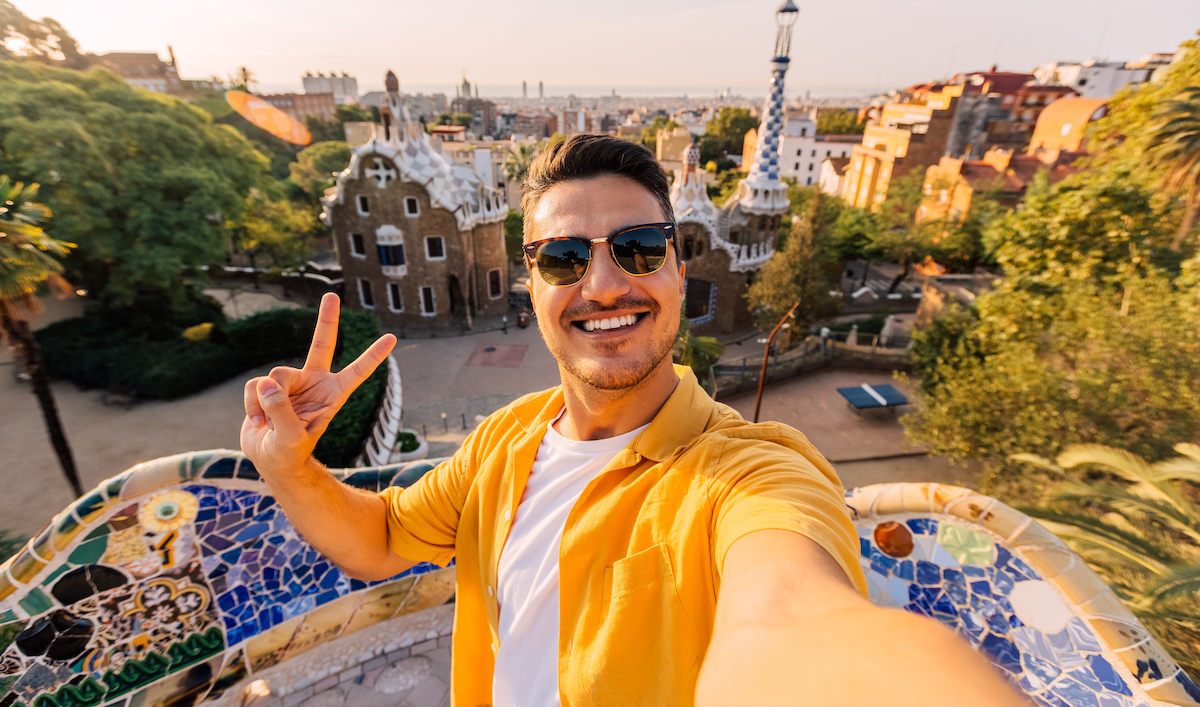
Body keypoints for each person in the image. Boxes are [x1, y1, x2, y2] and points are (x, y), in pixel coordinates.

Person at [242, 135, 1025, 707]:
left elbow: (791, 617)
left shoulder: (750, 473)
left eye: (641, 248)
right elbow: (379, 539)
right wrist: (289, 465)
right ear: (532, 287)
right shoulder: (505, 440)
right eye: (562, 259)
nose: (605, 283)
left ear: (681, 270)